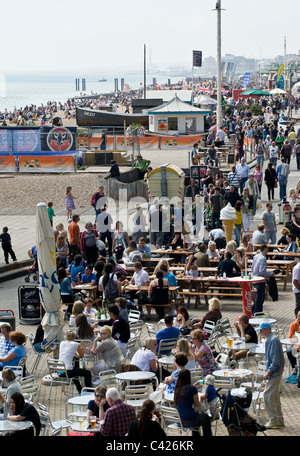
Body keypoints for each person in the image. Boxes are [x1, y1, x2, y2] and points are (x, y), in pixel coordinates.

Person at [256, 322, 285, 429]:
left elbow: (276, 361)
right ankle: (278, 419)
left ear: (267, 329)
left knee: (267, 396)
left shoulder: (272, 340)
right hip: (276, 371)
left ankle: (274, 419)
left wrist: (268, 372)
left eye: (261, 330)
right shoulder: (271, 339)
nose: (260, 332)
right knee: (274, 396)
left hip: (275, 372)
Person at [174, 369, 212, 436]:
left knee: (196, 417)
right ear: (189, 377)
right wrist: (201, 398)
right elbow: (197, 404)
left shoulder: (178, 389)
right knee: (206, 418)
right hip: (189, 420)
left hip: (179, 420)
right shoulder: (192, 389)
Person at [58, 329, 92, 393]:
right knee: (87, 373)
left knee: (75, 369)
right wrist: (80, 350)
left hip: (60, 371)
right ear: (74, 337)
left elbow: (68, 352)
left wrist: (76, 351)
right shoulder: (76, 344)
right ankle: (89, 391)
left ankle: (80, 389)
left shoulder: (62, 343)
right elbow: (81, 356)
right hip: (68, 372)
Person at [251, 245, 275, 315]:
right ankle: (258, 312)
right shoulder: (263, 258)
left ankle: (253, 310)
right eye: (267, 249)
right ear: (264, 249)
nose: (267, 251)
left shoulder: (256, 256)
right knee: (260, 298)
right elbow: (262, 270)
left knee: (259, 297)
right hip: (260, 280)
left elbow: (253, 267)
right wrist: (270, 274)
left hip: (255, 278)